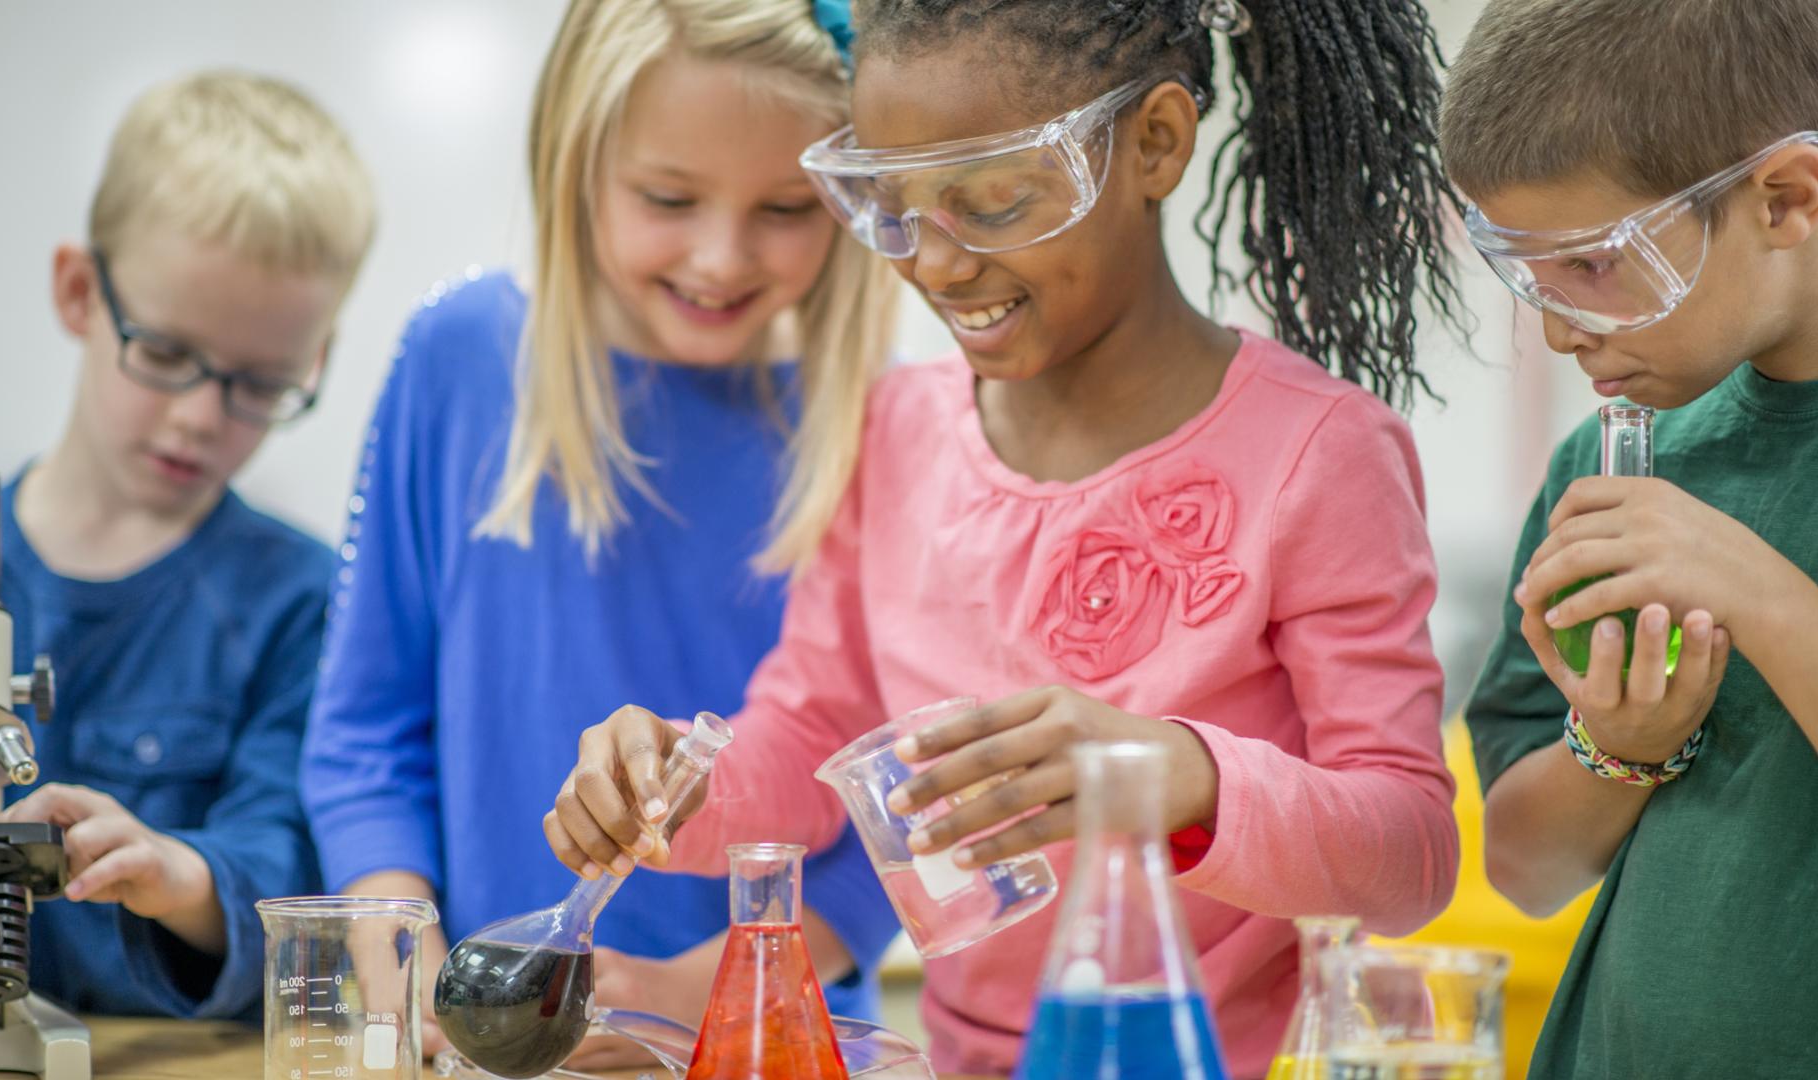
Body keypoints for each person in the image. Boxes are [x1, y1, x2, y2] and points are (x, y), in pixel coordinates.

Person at [545, 0, 1470, 1073]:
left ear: (1156, 143)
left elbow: (1411, 853)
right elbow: (804, 740)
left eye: (992, 203)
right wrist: (682, 781)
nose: (935, 264)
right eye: (891, 207)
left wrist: (1177, 774)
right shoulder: (894, 429)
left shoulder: (1319, 454)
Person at [298, 0, 900, 1065]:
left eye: (788, 208)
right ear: (575, 160)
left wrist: (696, 990)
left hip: (765, 1038)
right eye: (668, 197)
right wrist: (426, 978)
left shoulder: (875, 426)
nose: (721, 258)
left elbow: (891, 811)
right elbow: (362, 740)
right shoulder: (460, 357)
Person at [0, 70, 373, 1020]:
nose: (200, 415)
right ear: (80, 292)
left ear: (316, 360)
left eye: (261, 384)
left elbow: (288, 853)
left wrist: (181, 874)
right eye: (165, 354)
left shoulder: (299, 599)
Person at [1446, 0, 1818, 1075]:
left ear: (1788, 198)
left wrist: (1752, 587)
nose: (1562, 329)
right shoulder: (1615, 467)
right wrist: (1619, 750)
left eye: (1596, 265)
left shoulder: (1672, 517)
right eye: (1528, 275)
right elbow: (1526, 868)